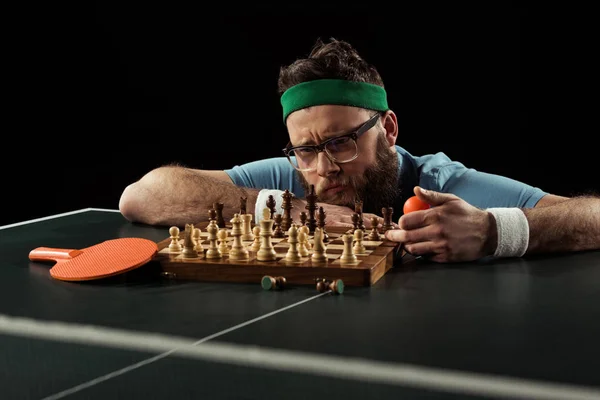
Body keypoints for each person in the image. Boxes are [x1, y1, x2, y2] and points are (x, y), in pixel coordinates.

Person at [119, 38, 600, 263]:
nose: (325, 167)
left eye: (342, 141)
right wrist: (290, 209)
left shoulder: (440, 183)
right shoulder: (295, 177)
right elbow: (142, 195)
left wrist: (496, 230)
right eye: (305, 149)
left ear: (388, 129)